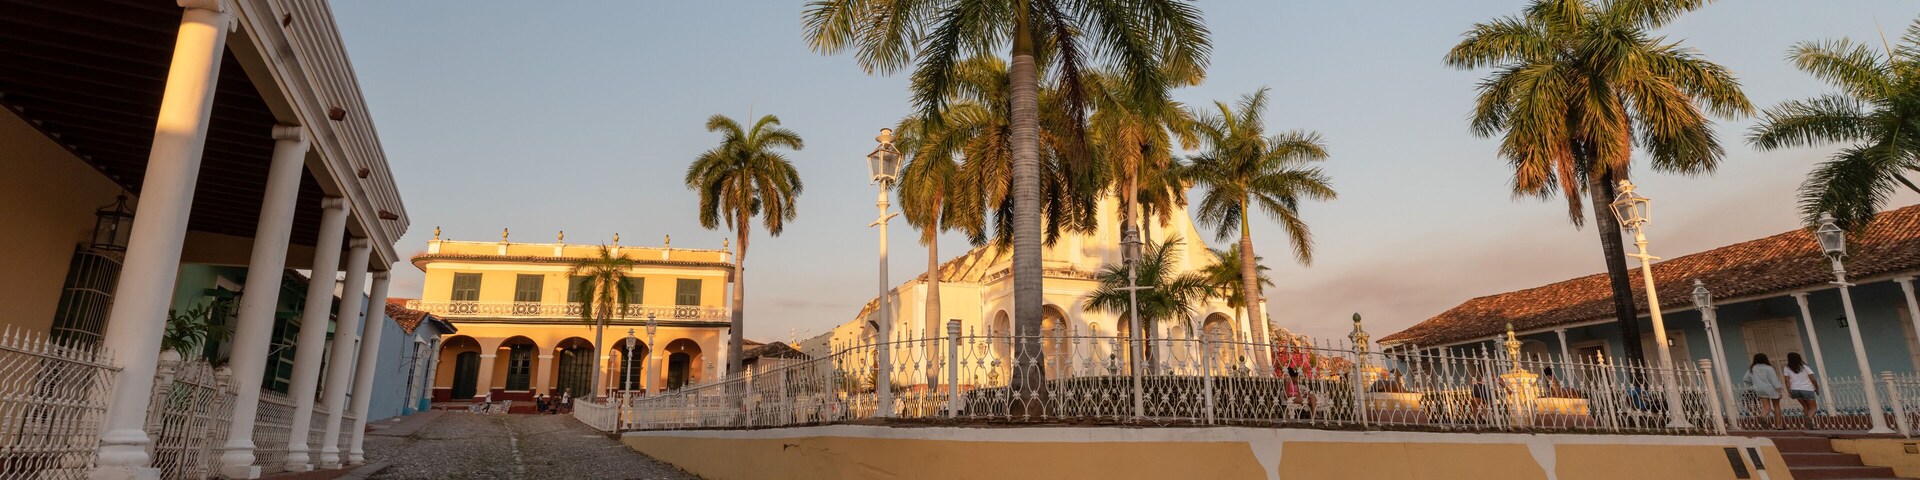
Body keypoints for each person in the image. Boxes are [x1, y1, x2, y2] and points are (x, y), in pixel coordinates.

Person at [1744, 353, 1784, 429]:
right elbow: (1774, 381)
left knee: (1766, 407)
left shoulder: (1752, 369)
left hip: (1759, 389)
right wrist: (1779, 390)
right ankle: (1778, 425)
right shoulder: (1769, 368)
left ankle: (1762, 416)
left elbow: (1745, 379)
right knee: (1776, 406)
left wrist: (1754, 384)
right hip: (1771, 389)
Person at [1783, 352, 1820, 429]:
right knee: (1813, 408)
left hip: (1795, 390)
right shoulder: (1805, 367)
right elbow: (1812, 379)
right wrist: (1817, 388)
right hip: (1807, 389)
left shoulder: (1787, 368)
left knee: (1805, 407)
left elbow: (1787, 381)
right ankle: (1808, 419)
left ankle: (1809, 426)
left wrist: (1789, 391)